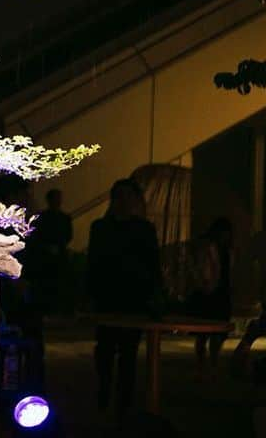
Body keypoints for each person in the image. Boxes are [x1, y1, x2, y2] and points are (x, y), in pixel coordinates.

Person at [87, 178, 162, 418]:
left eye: (129, 197)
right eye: (121, 197)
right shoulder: (101, 228)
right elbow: (94, 263)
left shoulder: (144, 229)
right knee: (106, 350)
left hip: (134, 298)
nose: (125, 202)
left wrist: (154, 295)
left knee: (128, 352)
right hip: (108, 297)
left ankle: (122, 402)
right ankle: (105, 392)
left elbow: (153, 265)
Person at [186, 217, 233, 379]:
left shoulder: (222, 248)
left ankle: (210, 362)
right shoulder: (209, 246)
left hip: (218, 293)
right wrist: (204, 283)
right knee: (203, 332)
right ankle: (205, 364)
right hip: (210, 292)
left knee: (214, 332)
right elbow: (205, 268)